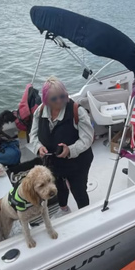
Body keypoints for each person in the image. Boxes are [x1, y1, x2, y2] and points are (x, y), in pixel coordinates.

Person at [29, 77, 94, 216]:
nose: (59, 101)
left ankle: (85, 214)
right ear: (46, 100)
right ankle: (64, 208)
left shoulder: (77, 111)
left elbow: (87, 139)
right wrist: (38, 147)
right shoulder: (39, 112)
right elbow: (33, 135)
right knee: (58, 187)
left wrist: (70, 150)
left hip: (78, 162)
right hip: (53, 163)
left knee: (79, 189)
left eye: (62, 96)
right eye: (54, 99)